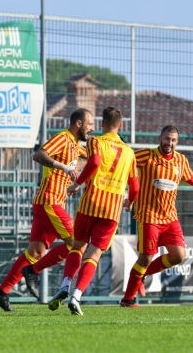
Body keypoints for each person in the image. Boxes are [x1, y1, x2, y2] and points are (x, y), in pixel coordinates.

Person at [0, 108, 95, 311]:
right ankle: (34, 271)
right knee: (78, 244)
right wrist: (64, 168)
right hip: (49, 202)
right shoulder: (63, 138)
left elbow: (94, 156)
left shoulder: (75, 145)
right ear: (79, 124)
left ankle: (1, 292)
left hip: (48, 203)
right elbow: (39, 155)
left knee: (35, 251)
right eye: (90, 124)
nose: (92, 128)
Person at [119, 125, 193, 307]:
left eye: (173, 140)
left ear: (176, 142)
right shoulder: (146, 156)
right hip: (149, 216)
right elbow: (125, 163)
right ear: (159, 138)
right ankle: (127, 300)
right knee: (145, 258)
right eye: (167, 139)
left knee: (178, 256)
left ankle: (142, 275)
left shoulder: (180, 160)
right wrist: (126, 194)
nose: (169, 143)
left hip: (170, 217)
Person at [47, 106, 139, 315]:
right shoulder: (129, 152)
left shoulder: (95, 141)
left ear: (103, 124)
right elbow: (135, 187)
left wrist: (78, 183)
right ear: (121, 126)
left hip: (91, 203)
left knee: (77, 247)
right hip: (112, 209)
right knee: (94, 253)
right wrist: (130, 203)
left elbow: (95, 162)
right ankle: (76, 295)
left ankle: (64, 286)